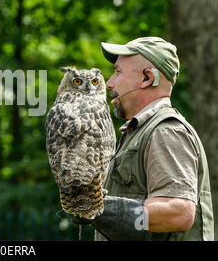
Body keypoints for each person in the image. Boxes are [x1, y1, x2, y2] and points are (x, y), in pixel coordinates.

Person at [75, 37, 214, 240]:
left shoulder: (165, 130)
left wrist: (100, 209)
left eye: (118, 72)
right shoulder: (140, 132)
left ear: (147, 78)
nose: (109, 83)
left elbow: (179, 213)